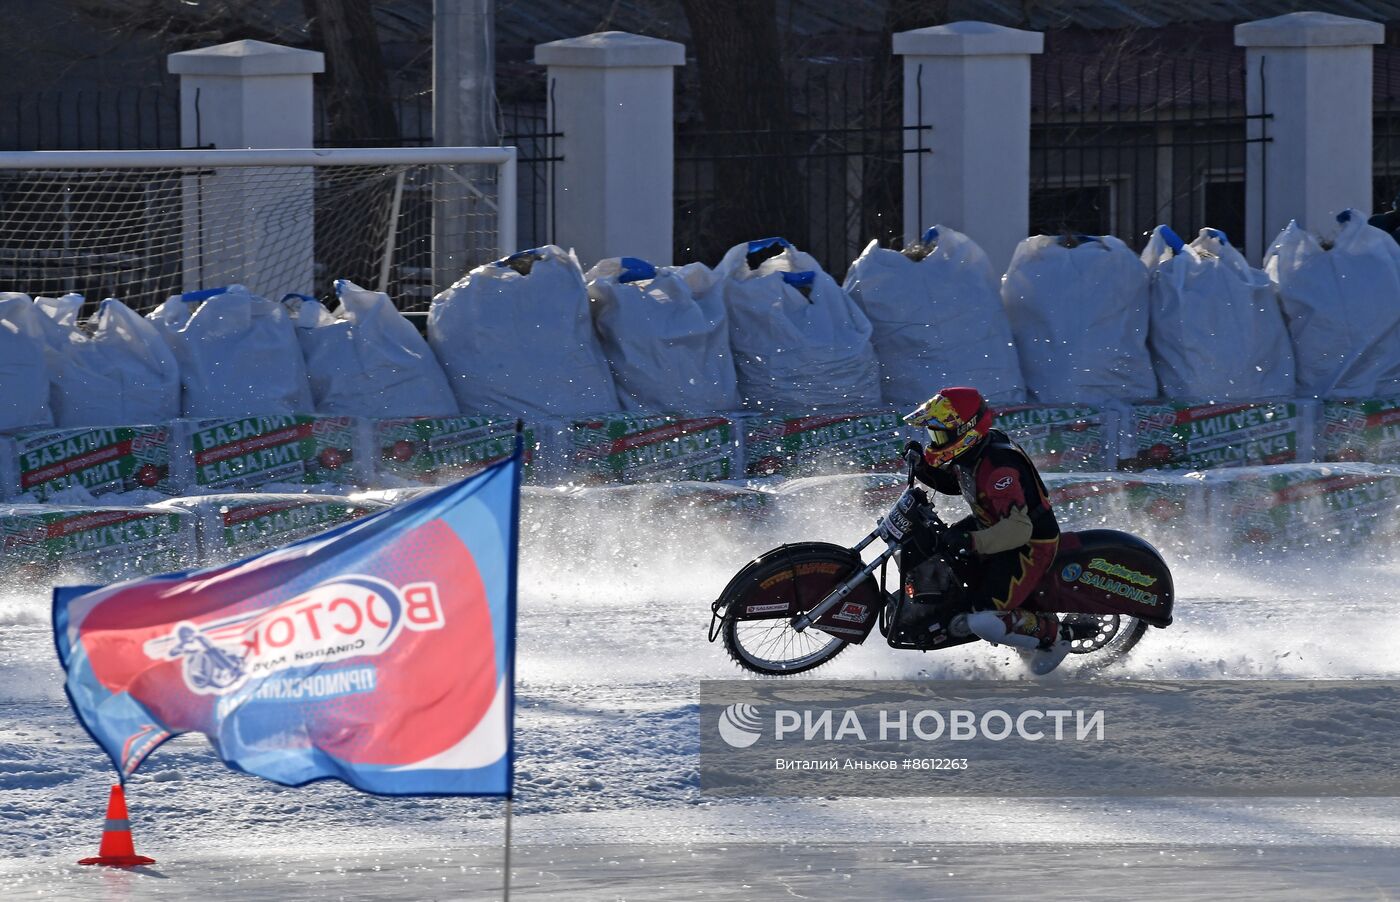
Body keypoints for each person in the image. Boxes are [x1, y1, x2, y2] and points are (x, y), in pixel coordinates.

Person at [895, 386, 1073, 675]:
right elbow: (958, 484)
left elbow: (1018, 531)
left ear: (965, 430)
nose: (935, 441)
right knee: (939, 548)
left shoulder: (998, 467)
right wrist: (924, 467)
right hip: (993, 526)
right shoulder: (977, 449)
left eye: (940, 435)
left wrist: (971, 541)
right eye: (933, 435)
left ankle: (1055, 637)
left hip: (1028, 544)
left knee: (983, 621)